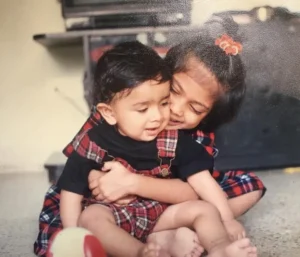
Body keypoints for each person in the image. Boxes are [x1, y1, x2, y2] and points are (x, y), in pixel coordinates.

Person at [34, 41, 257, 257]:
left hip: (163, 207)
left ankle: (217, 247)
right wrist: (94, 184)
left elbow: (200, 188)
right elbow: (74, 180)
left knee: (217, 204)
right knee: (90, 218)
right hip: (113, 208)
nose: (173, 112)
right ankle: (146, 248)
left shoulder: (180, 140)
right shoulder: (101, 128)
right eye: (174, 93)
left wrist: (226, 220)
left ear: (210, 114)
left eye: (195, 108)